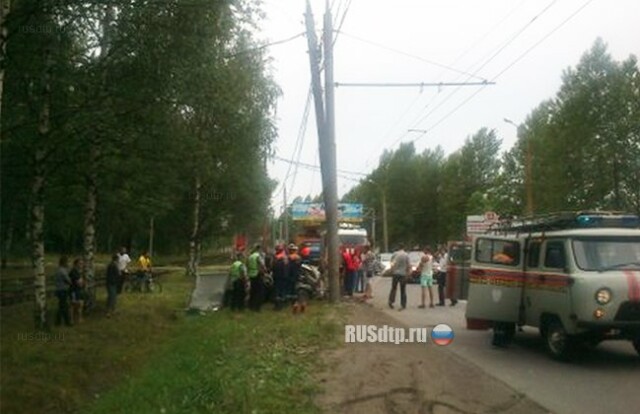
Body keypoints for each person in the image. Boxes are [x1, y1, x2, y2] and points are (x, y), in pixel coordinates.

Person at [388, 244, 410, 310]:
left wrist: (392, 270)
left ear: (398, 248)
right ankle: (403, 304)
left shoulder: (394, 254)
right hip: (403, 274)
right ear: (403, 248)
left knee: (394, 288)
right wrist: (408, 273)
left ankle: (391, 301)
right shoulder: (406, 255)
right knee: (403, 290)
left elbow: (391, 263)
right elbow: (408, 265)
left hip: (395, 273)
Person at [247, 244, 266, 311]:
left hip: (251, 275)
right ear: (259, 249)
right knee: (259, 291)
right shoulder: (258, 256)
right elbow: (261, 265)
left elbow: (248, 265)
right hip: (257, 274)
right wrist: (264, 272)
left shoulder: (250, 256)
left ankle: (251, 306)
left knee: (253, 291)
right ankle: (257, 307)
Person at [54, 256, 72, 326]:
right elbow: (68, 280)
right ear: (64, 262)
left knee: (62, 306)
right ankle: (66, 322)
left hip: (60, 289)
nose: (68, 264)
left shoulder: (60, 270)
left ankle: (60, 322)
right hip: (62, 290)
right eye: (67, 262)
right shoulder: (62, 271)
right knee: (63, 306)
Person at [69, 258, 86, 324]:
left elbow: (82, 282)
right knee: (73, 305)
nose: (82, 265)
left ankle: (79, 318)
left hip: (79, 290)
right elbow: (79, 283)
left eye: (82, 263)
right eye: (80, 263)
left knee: (80, 304)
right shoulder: (73, 271)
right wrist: (82, 282)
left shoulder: (79, 272)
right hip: (74, 290)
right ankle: (72, 320)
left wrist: (82, 282)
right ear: (76, 264)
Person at [272, 244, 289, 310]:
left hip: (277, 276)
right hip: (283, 276)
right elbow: (287, 267)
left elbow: (273, 267)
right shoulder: (285, 257)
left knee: (277, 291)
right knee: (282, 291)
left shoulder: (276, 257)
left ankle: (278, 306)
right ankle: (282, 304)